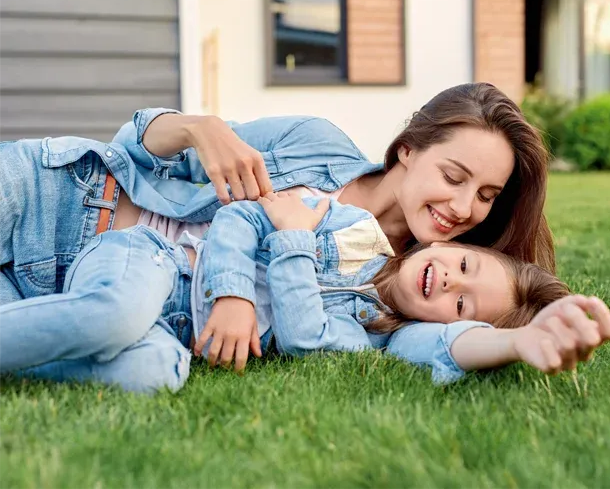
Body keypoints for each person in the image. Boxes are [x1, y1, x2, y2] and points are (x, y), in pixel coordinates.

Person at [0, 82, 553, 369]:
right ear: (407, 150)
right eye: (453, 176)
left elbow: (446, 344)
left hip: (77, 291)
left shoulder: (395, 295)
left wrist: (524, 338)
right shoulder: (315, 144)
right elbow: (134, 146)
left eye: (485, 195)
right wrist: (197, 128)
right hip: (58, 196)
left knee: (138, 366)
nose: (463, 208)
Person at [0, 193, 610, 394]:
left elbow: (303, 337)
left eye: (461, 301)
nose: (450, 281)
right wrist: (235, 296)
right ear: (444, 247)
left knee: (155, 374)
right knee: (118, 312)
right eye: (462, 264)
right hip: (158, 262)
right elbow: (241, 218)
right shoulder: (354, 228)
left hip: (174, 338)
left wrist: (519, 341)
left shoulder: (370, 343)